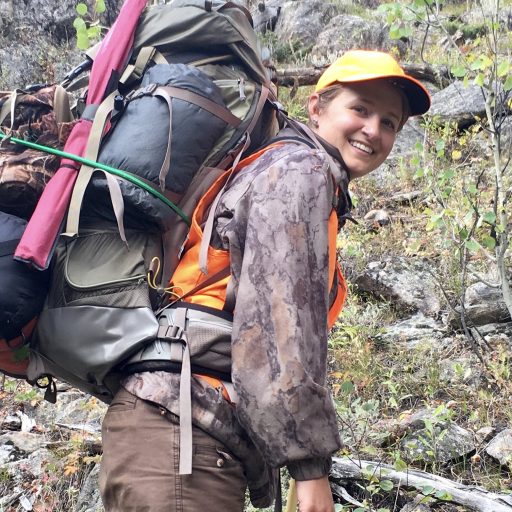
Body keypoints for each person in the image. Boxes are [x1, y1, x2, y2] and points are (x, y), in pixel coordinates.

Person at [99, 50, 431, 512]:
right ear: (316, 108)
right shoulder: (300, 171)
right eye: (360, 108)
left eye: (389, 122)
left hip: (173, 428)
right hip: (183, 432)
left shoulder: (282, 168)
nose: (373, 130)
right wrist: (310, 468)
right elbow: (278, 328)